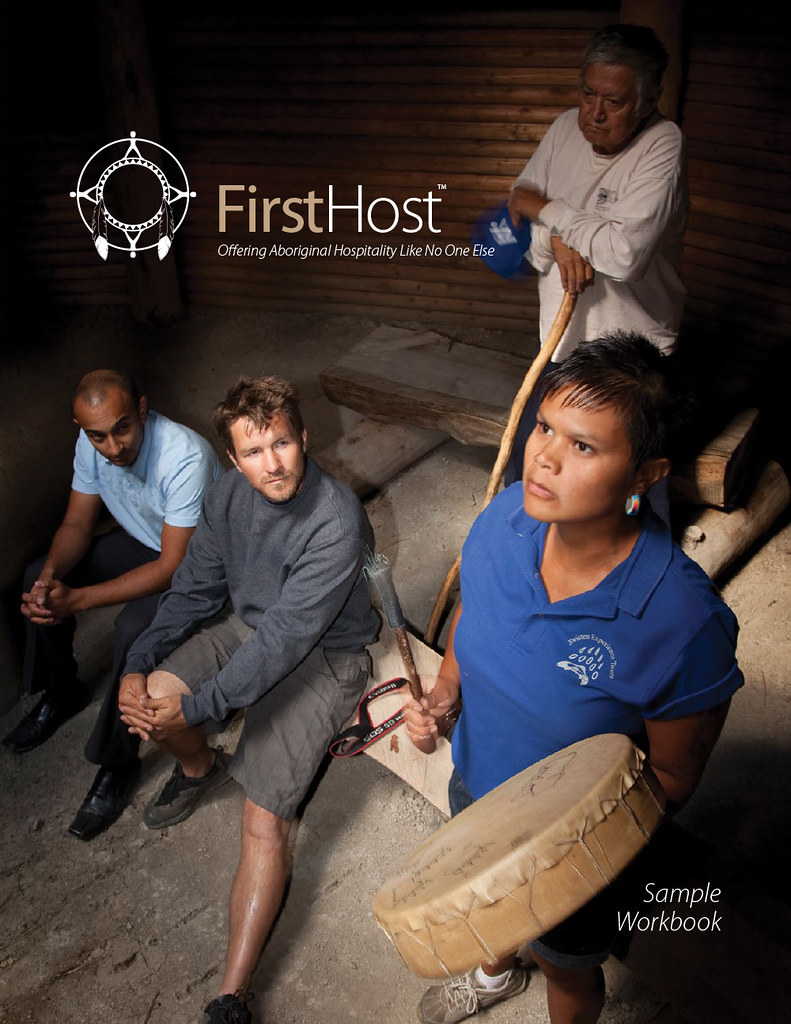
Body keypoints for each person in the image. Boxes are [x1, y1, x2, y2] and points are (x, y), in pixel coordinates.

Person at [402, 333, 743, 1024]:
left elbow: (671, 780)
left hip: (570, 843)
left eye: (583, 446)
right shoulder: (505, 519)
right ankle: (495, 973)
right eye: (544, 427)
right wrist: (445, 694)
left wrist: (567, 860)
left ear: (645, 475)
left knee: (567, 963)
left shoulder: (679, 624)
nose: (543, 458)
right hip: (476, 784)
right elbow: (475, 608)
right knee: (488, 909)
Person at [117, 374, 380, 1024]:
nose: (274, 463)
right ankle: (201, 768)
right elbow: (195, 587)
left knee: (263, 821)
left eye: (283, 444)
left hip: (323, 655)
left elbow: (286, 642)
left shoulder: (335, 519)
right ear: (233, 460)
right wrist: (137, 661)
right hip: (252, 626)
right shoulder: (228, 495)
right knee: (151, 701)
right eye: (255, 452)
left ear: (303, 437)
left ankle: (229, 997)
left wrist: (205, 705)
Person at [3, 369, 221, 842]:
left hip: (198, 568)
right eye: (98, 435)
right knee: (36, 575)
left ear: (142, 409)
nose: (114, 446)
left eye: (123, 427)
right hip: (147, 544)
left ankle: (117, 761)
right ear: (81, 428)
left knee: (132, 629)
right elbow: (77, 525)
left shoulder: (184, 456)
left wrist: (78, 600)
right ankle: (61, 690)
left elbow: (170, 568)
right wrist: (49, 581)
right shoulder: (91, 444)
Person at [504, 23, 688, 487]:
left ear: (647, 102)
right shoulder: (565, 126)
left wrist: (552, 212)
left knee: (619, 487)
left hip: (631, 352)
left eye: (614, 101)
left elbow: (622, 256)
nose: (594, 114)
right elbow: (518, 212)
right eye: (588, 94)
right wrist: (559, 239)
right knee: (534, 471)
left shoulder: (663, 145)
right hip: (561, 342)